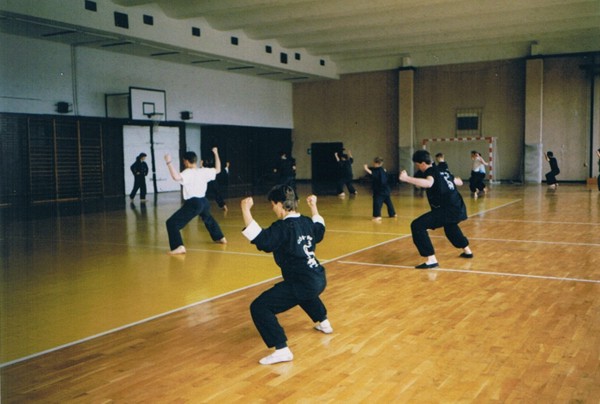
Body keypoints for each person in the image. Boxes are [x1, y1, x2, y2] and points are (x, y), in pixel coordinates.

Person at [241, 185, 332, 365]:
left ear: (280, 204)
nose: (272, 208)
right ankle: (324, 322)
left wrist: (245, 210)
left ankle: (281, 349)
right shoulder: (306, 221)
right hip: (317, 277)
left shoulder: (283, 227)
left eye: (273, 205)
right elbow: (319, 230)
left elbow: (262, 240)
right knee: (303, 294)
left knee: (260, 307)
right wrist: (313, 206)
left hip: (304, 281)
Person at [399, 150, 473, 269]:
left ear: (423, 163)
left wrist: (407, 178)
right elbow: (458, 182)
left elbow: (428, 183)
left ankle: (431, 259)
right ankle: (467, 250)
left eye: (418, 165)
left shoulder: (431, 171)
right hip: (458, 207)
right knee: (450, 226)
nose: (418, 168)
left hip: (447, 210)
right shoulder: (442, 170)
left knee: (417, 225)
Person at [164, 148, 227, 255]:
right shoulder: (204, 171)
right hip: (204, 202)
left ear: (187, 161)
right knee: (208, 219)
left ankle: (178, 247)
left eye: (184, 161)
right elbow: (218, 169)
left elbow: (176, 177)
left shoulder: (188, 172)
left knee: (172, 223)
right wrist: (216, 153)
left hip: (194, 203)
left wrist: (168, 162)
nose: (184, 163)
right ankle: (220, 238)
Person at [363, 157, 396, 222]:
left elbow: (372, 174)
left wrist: (366, 168)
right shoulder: (383, 170)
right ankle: (393, 214)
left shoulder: (378, 170)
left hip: (380, 190)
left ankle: (377, 216)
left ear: (376, 163)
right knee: (388, 202)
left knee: (377, 203)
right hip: (386, 189)